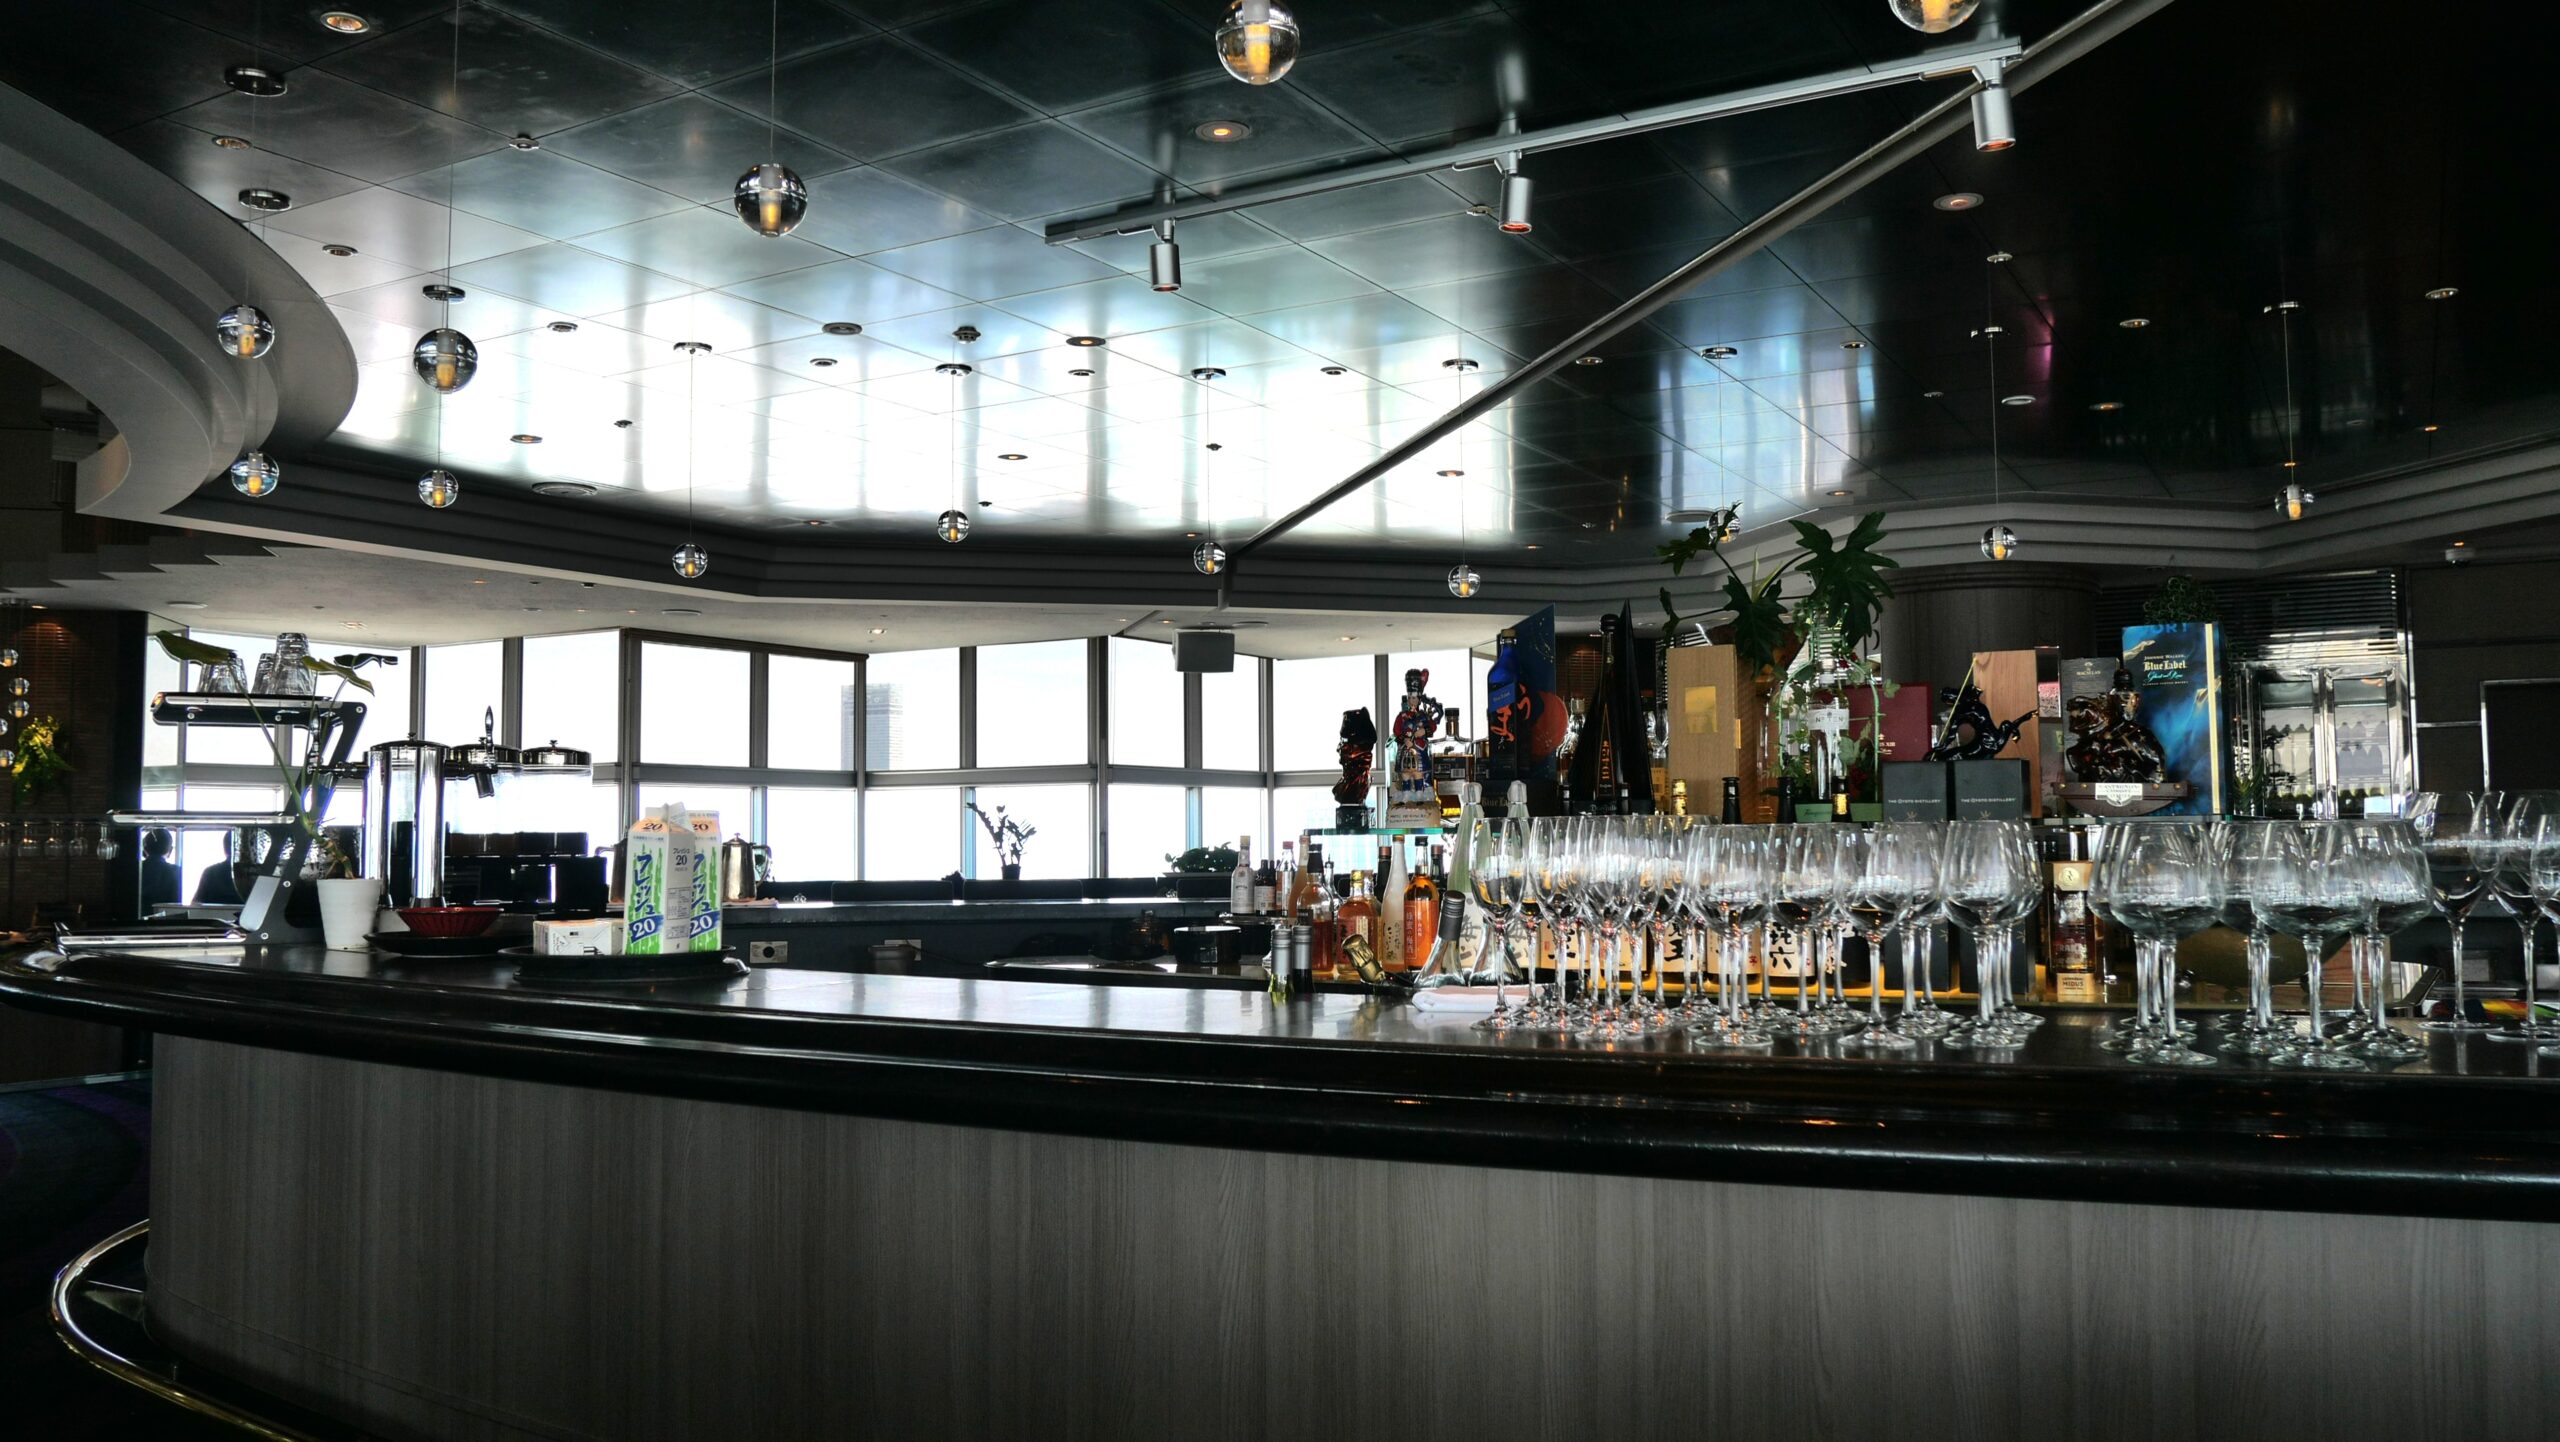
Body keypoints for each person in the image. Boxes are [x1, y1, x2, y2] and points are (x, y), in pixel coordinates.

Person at [192, 832, 244, 906]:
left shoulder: (210, 873)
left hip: (213, 913)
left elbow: (195, 905)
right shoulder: (253, 874)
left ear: (225, 849)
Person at [140, 829, 183, 911]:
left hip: (134, 918)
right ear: (170, 850)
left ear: (145, 849)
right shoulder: (176, 872)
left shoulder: (135, 869)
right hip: (164, 918)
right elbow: (176, 906)